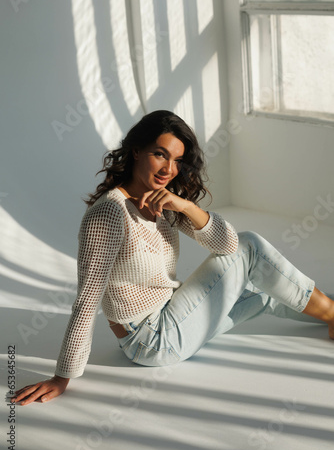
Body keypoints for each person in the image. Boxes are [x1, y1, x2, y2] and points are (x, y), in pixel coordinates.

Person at [11, 110, 334, 406]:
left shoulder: (162, 202)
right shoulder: (109, 214)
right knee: (251, 246)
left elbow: (225, 244)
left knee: (266, 292)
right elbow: (87, 298)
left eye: (178, 160)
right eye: (159, 154)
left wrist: (185, 207)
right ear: (136, 150)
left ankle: (332, 314)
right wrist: (62, 377)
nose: (169, 169)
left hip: (170, 315)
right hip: (151, 339)